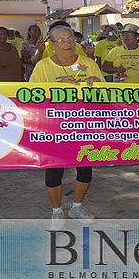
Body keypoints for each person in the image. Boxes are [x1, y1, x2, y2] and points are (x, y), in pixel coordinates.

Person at [29, 24, 103, 227]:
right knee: (54, 170)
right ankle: (57, 210)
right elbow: (32, 99)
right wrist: (56, 88)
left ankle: (77, 206)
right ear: (51, 45)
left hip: (84, 126)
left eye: (70, 39)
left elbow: (106, 96)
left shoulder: (88, 63)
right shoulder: (43, 66)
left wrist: (96, 83)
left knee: (85, 169)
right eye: (61, 40)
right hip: (54, 128)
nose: (67, 43)